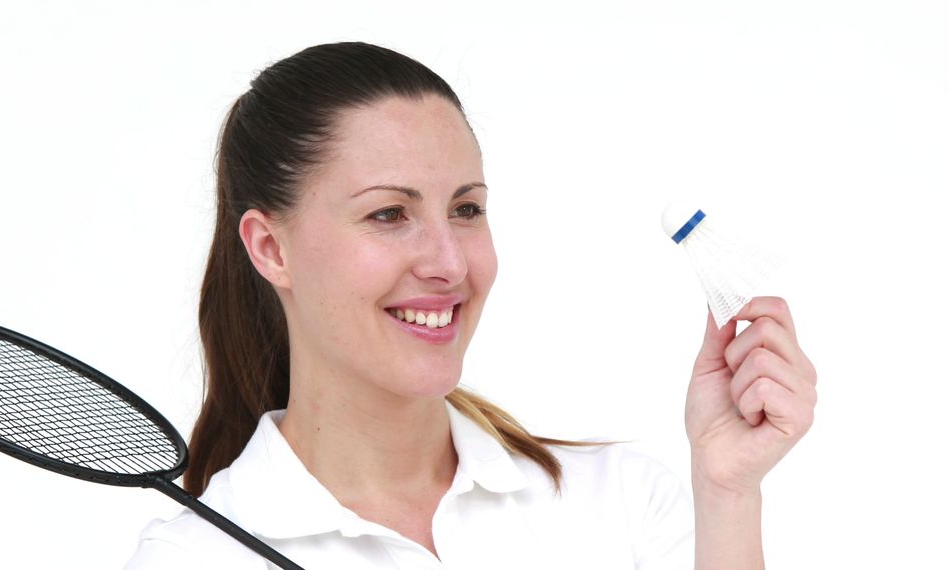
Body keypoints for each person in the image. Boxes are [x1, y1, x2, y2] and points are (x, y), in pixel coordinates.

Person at [125, 41, 817, 569]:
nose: (449, 263)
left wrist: (728, 496)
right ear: (272, 249)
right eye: (389, 214)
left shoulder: (621, 505)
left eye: (466, 209)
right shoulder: (195, 557)